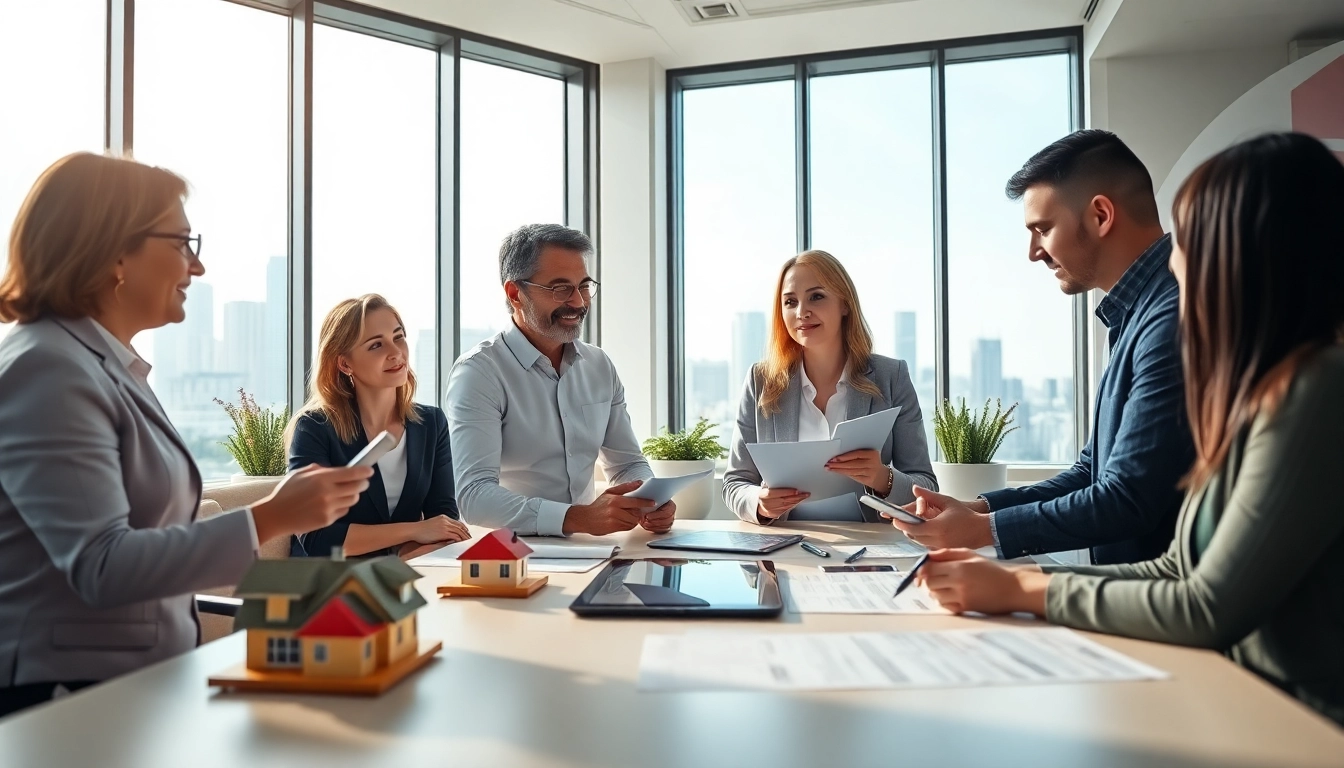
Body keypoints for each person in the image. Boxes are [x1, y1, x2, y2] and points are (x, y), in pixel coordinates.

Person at [914, 133, 1344, 726]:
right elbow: (1175, 562)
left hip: (1300, 722)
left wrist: (1018, 585)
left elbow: (1201, 597)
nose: (1177, 258)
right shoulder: (1262, 387)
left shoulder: (1311, 387)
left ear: (1244, 254)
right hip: (1238, 696)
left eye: (1191, 240)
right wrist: (1009, 555)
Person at [0, 153, 371, 717]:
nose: (195, 267)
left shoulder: (105, 366)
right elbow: (103, 565)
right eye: (181, 242)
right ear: (115, 253)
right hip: (68, 702)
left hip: (134, 689)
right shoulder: (50, 369)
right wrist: (271, 518)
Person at [891, 130, 1194, 565]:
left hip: (1157, 610)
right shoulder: (1135, 316)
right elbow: (1092, 473)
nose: (1034, 252)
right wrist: (980, 509)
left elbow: (1128, 498)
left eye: (1043, 229)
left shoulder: (1170, 318)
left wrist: (983, 530)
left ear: (1101, 215)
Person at [446, 224, 672, 537]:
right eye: (560, 289)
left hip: (589, 551)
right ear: (515, 294)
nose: (579, 302)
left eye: (584, 286)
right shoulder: (479, 373)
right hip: (512, 557)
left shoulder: (599, 366)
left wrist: (649, 498)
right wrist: (575, 518)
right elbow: (474, 497)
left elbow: (626, 464)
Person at [723, 250, 936, 525]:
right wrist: (759, 503)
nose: (802, 312)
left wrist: (883, 478)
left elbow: (927, 487)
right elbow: (735, 482)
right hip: (786, 546)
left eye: (817, 296)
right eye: (790, 302)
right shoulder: (761, 380)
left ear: (844, 304)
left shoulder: (891, 377)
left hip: (869, 552)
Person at [287, 294, 468, 559]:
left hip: (403, 576)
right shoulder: (315, 428)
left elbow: (443, 525)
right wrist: (412, 532)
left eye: (398, 337)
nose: (396, 352)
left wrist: (403, 558)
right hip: (327, 586)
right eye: (376, 346)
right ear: (345, 363)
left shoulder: (431, 423)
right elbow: (317, 539)